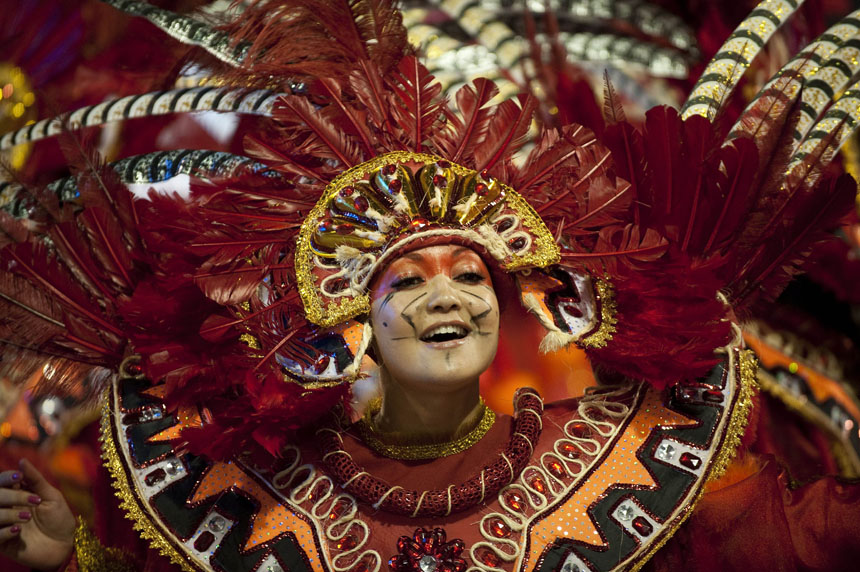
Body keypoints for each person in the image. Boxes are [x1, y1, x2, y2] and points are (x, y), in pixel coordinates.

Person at [1, 2, 859, 571]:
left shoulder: (622, 461)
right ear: (345, 321)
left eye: (472, 274)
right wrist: (63, 556)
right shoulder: (264, 495)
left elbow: (806, 539)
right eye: (406, 280)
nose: (448, 296)